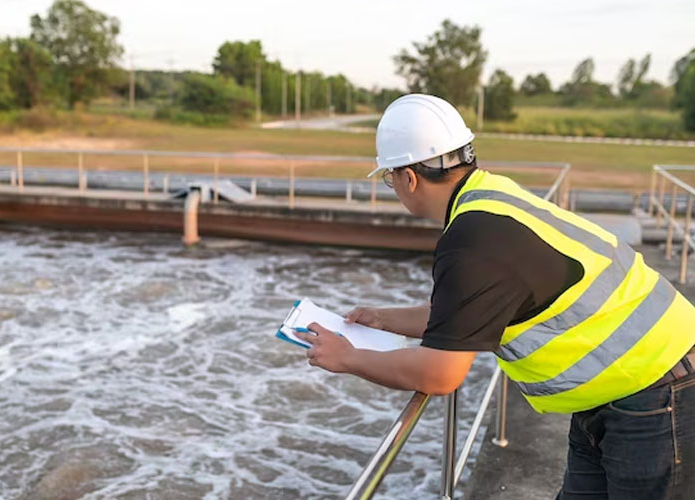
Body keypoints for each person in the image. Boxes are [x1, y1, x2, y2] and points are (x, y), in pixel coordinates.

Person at [292, 94, 695, 500]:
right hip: (630, 386)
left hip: (657, 396)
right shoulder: (491, 198)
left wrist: (348, 358)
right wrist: (384, 319)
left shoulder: (472, 242)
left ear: (409, 178)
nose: (392, 186)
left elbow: (440, 374)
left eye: (388, 177)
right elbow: (474, 310)